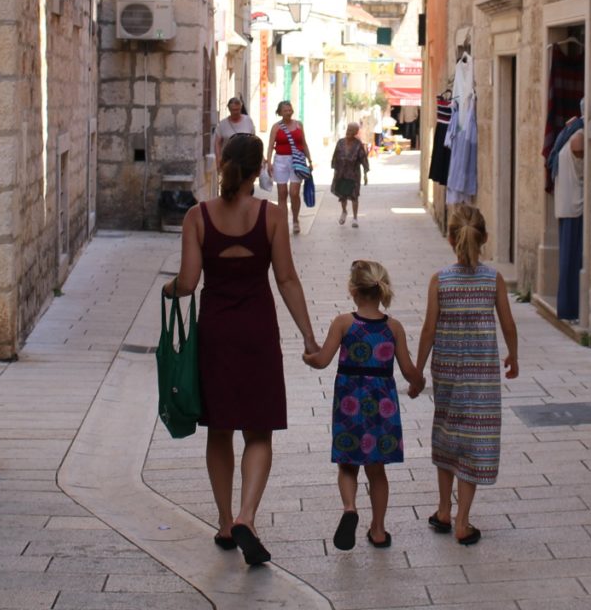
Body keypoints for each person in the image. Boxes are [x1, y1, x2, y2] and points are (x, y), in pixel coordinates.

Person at [162, 134, 318, 566]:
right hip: (257, 333)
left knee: (219, 429)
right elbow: (286, 279)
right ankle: (249, 514)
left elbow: (188, 284)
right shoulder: (270, 217)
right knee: (258, 430)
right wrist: (308, 335)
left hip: (216, 333)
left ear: (224, 163)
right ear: (257, 172)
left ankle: (226, 520)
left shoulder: (197, 217)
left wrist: (168, 287)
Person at [410, 204, 518, 546]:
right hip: (482, 378)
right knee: (473, 441)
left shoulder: (439, 280)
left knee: (447, 434)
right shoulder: (493, 280)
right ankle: (462, 521)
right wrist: (513, 356)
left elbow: (428, 330)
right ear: (484, 238)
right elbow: (508, 323)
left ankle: (443, 509)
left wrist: (416, 373)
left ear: (450, 237)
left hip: (447, 374)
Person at [303, 260, 424, 550]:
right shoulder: (393, 327)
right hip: (381, 407)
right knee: (377, 469)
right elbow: (408, 369)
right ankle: (379, 530)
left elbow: (322, 361)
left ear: (353, 291)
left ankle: (349, 509)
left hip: (349, 404)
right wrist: (417, 385)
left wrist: (308, 357)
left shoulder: (344, 323)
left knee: (348, 465)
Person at [553, 117, 584, 321]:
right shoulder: (577, 137)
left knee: (568, 262)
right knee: (572, 261)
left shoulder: (568, 138)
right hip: (574, 206)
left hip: (567, 205)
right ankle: (571, 308)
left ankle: (567, 308)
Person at [267, 100, 313, 234]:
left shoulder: (299, 125)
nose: (288, 112)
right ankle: (282, 223)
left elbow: (304, 143)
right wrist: (269, 162)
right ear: (280, 112)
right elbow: (270, 146)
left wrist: (309, 159)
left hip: (297, 161)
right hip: (280, 160)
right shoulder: (276, 127)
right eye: (285, 110)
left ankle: (295, 220)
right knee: (282, 194)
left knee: (294, 193)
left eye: (289, 110)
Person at [330, 122, 369, 227]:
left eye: (351, 130)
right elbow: (335, 156)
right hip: (341, 173)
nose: (348, 132)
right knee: (343, 196)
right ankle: (344, 211)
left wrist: (365, 174)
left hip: (354, 174)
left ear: (356, 132)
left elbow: (363, 159)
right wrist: (335, 170)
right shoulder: (340, 142)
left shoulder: (358, 144)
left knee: (354, 196)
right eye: (348, 129)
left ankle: (355, 218)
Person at [214, 97, 255, 168]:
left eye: (237, 110)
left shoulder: (248, 121)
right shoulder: (223, 124)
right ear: (229, 110)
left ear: (240, 108)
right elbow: (217, 142)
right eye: (233, 110)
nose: (235, 112)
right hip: (229, 162)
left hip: (245, 161)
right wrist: (218, 159)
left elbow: (253, 139)